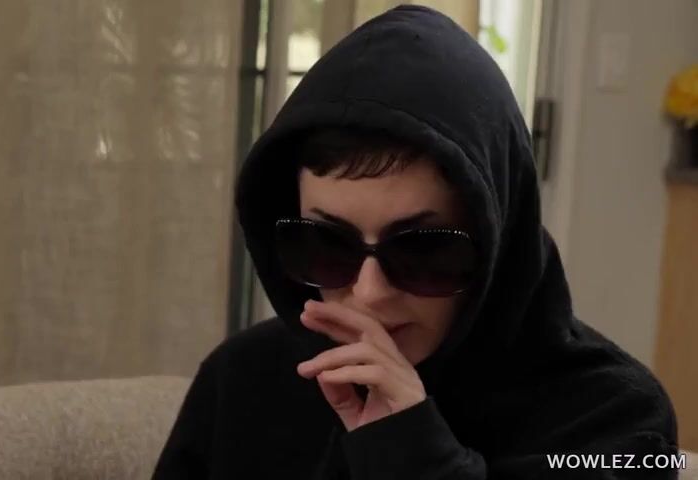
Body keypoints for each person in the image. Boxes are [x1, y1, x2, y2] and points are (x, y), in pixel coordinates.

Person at [152, 5, 678, 479]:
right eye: (326, 244)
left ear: (499, 244)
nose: (369, 292)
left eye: (423, 251)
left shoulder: (618, 419)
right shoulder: (242, 379)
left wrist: (411, 455)